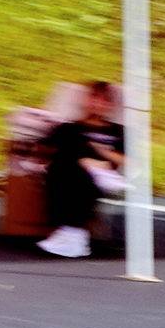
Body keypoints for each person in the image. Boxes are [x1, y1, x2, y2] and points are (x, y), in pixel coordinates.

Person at [35, 82, 123, 260]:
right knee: (68, 150)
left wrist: (100, 151)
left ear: (111, 105)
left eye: (103, 100)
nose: (97, 104)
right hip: (72, 175)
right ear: (85, 101)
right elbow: (43, 149)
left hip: (102, 178)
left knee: (73, 151)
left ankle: (71, 235)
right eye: (93, 98)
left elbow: (127, 160)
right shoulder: (69, 127)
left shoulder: (118, 131)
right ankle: (74, 235)